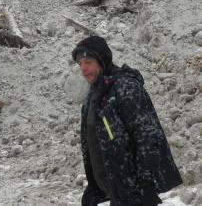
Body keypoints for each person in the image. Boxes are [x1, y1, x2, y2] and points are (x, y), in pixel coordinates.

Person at [72, 35, 182, 206]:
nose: (83, 69)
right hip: (117, 191)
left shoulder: (125, 87)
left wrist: (146, 184)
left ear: (102, 60)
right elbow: (96, 143)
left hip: (134, 191)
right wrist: (94, 187)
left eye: (88, 61)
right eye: (80, 64)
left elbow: (147, 137)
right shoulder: (95, 95)